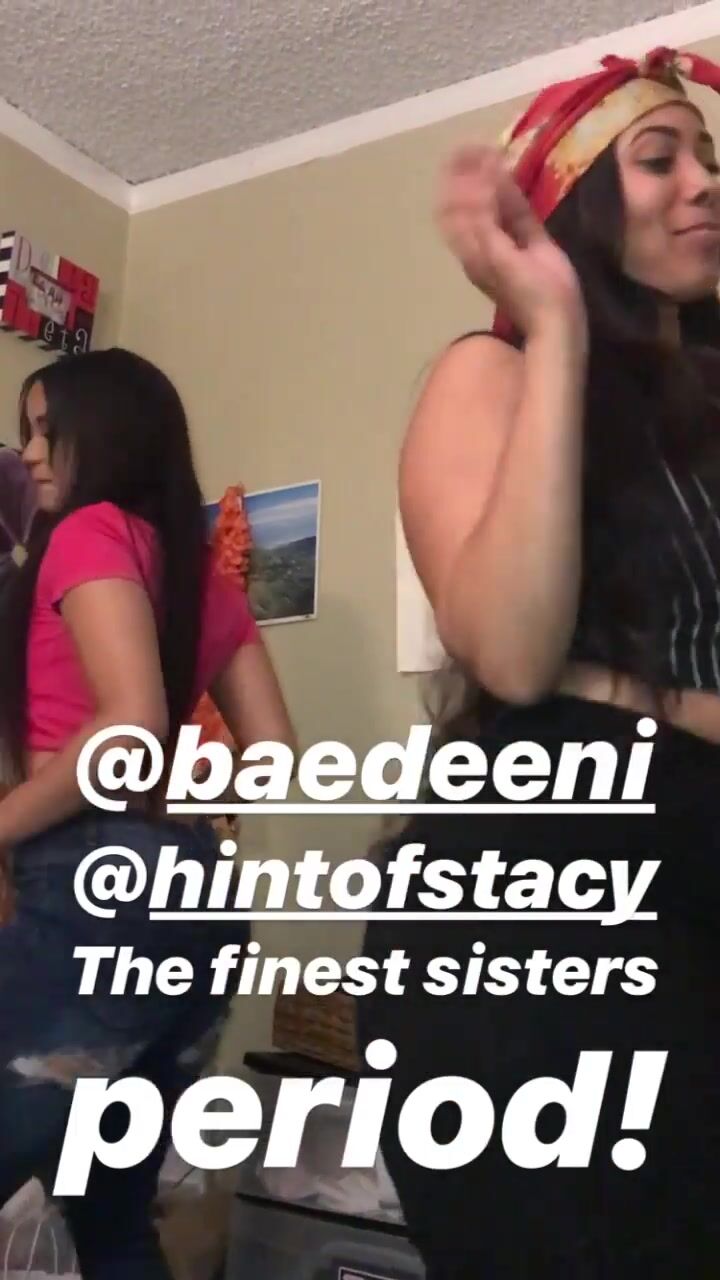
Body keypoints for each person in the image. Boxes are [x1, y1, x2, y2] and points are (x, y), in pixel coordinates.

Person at [358, 46, 720, 1277]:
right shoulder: (495, 371)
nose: (703, 181)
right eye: (659, 158)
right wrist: (556, 322)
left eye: (710, 157)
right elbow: (510, 651)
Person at [0, 347, 297, 1278]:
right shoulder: (203, 577)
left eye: (46, 429)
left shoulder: (88, 532)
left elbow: (128, 724)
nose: (31, 454)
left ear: (108, 432)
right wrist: (167, 803)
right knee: (112, 1213)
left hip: (92, 886)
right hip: (199, 900)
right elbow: (274, 758)